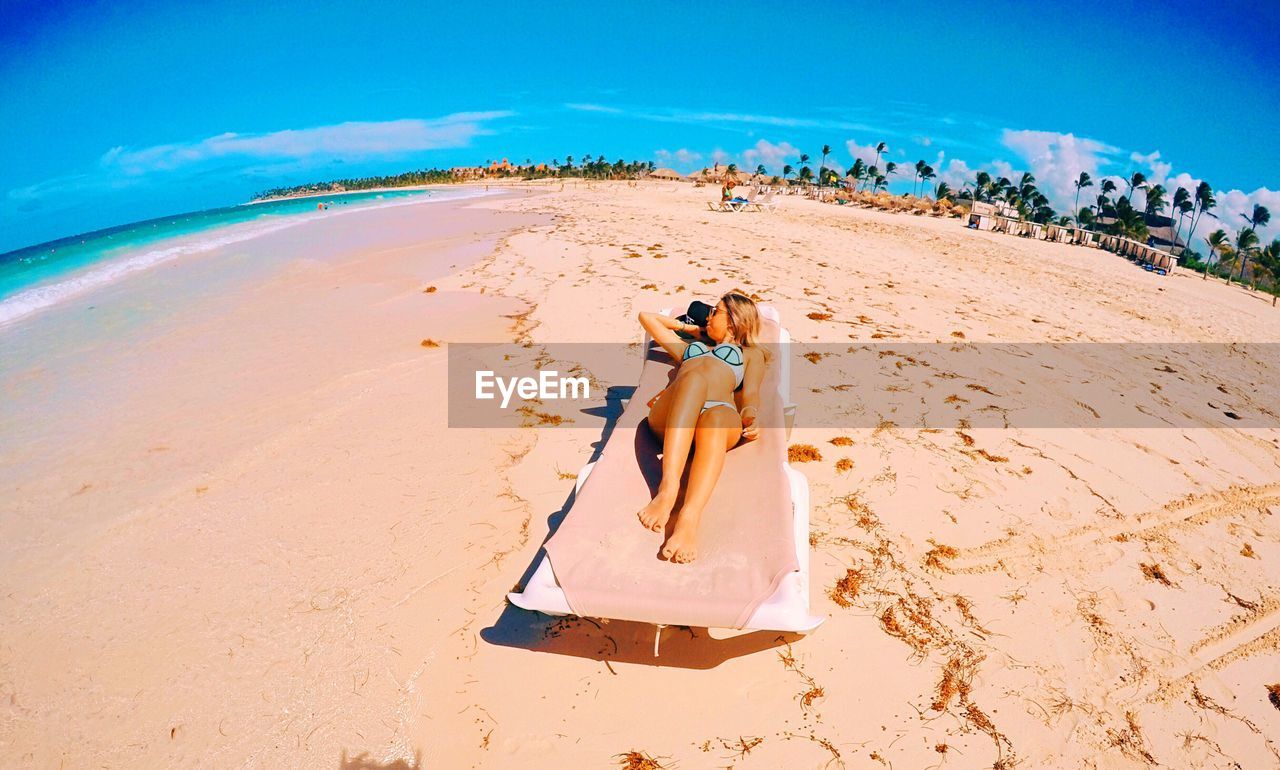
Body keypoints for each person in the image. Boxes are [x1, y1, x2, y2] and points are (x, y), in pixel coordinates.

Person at [636, 293, 768, 563]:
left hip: (717, 416)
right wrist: (692, 329)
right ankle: (668, 489)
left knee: (718, 416)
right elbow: (646, 318)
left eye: (715, 312)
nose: (708, 316)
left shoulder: (752, 354)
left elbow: (752, 394)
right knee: (694, 378)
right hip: (674, 412)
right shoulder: (690, 348)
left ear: (734, 320)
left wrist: (751, 415)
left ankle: (689, 517)